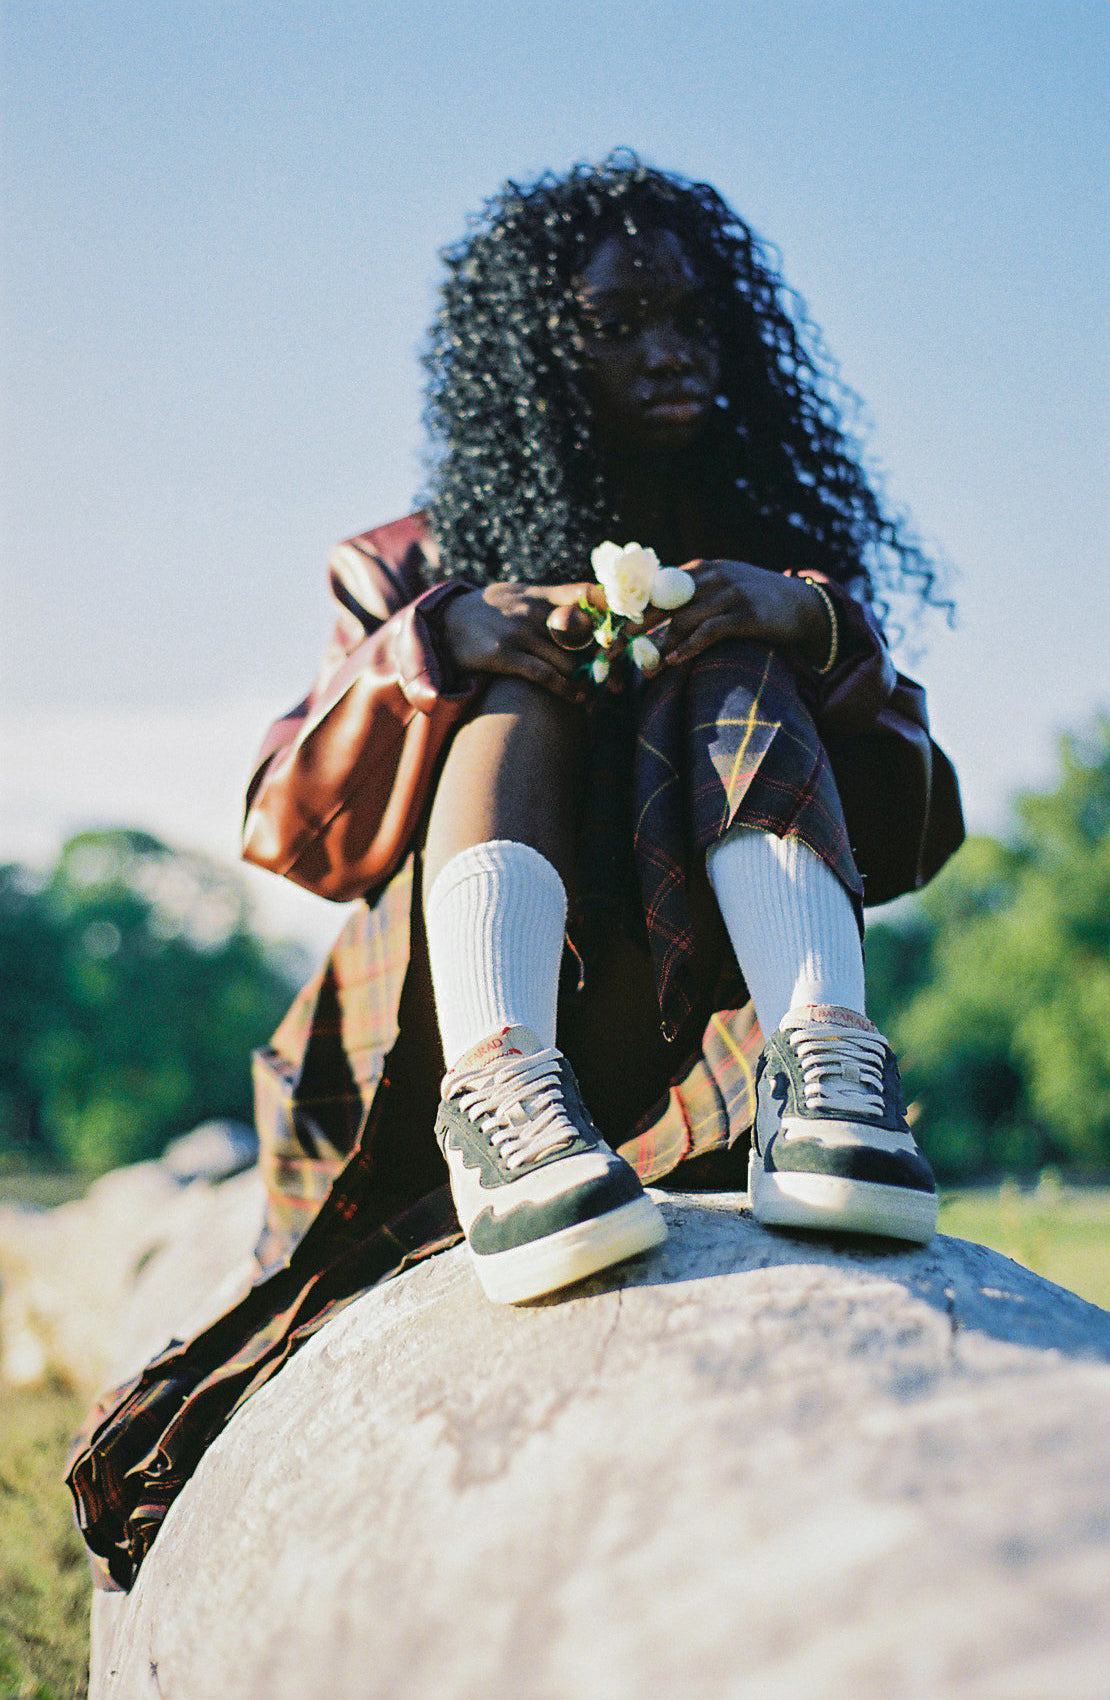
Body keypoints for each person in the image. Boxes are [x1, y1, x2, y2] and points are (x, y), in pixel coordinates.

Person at [67, 154, 963, 1587]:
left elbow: (914, 837)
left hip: (694, 1030)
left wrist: (813, 626)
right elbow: (292, 827)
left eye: (695, 320)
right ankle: (504, 1104)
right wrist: (430, 646)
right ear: (534, 354)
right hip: (436, 1042)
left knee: (738, 651)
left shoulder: (778, 559)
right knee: (507, 667)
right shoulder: (403, 562)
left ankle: (826, 1068)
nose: (671, 351)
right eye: (621, 324)